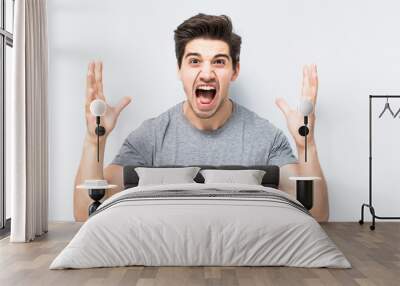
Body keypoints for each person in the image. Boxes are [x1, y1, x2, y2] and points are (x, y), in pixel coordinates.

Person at [74, 13, 328, 222]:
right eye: (194, 61)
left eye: (219, 62)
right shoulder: (150, 137)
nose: (206, 73)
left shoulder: (266, 137)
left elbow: (315, 216)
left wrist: (306, 143)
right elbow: (85, 215)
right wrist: (93, 140)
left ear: (235, 70)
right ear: (179, 69)